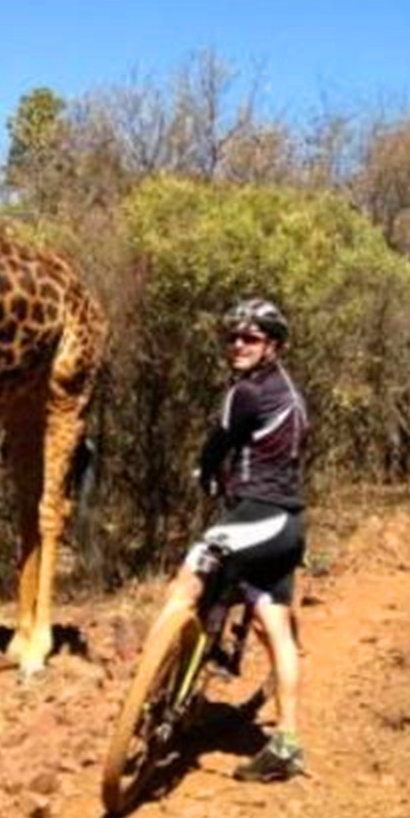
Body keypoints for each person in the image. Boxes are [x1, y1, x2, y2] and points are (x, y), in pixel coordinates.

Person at [158, 297, 309, 782]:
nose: (238, 345)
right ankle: (286, 744)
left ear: (273, 346)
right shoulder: (293, 395)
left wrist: (204, 472)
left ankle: (152, 686)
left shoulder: (247, 392)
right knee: (274, 628)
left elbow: (217, 445)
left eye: (251, 338)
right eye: (233, 337)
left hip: (257, 515)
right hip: (288, 524)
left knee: (186, 582)